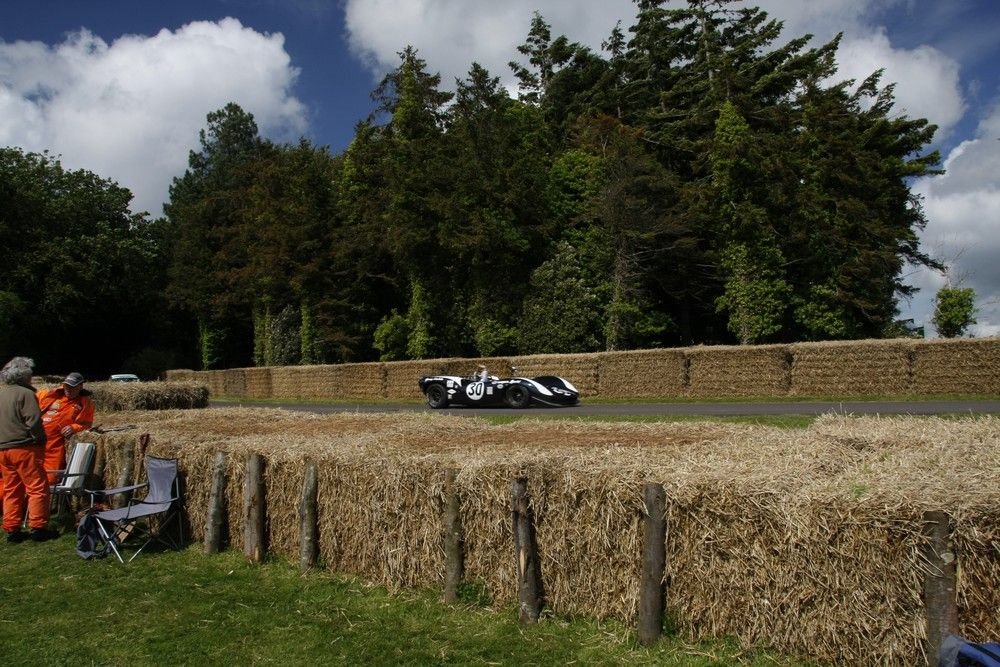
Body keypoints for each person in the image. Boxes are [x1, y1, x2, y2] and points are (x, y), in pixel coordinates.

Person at [0, 356, 56, 543]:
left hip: (3, 450)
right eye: (30, 375)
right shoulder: (25, 394)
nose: (31, 378)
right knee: (37, 488)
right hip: (24, 448)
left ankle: (12, 528)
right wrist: (40, 440)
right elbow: (33, 421)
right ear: (23, 376)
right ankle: (38, 527)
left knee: (11, 489)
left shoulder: (1, 393)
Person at [37, 372, 95, 484]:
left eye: (73, 386)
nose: (69, 389)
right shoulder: (49, 395)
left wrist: (74, 427)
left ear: (80, 386)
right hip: (34, 443)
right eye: (67, 385)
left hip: (54, 447)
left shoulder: (85, 404)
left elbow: (87, 424)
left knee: (50, 479)